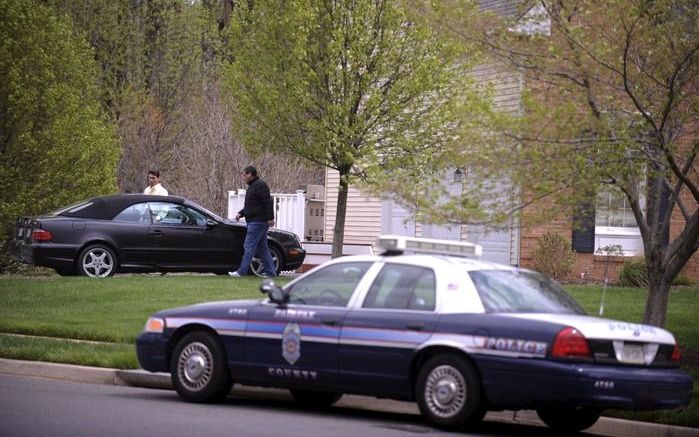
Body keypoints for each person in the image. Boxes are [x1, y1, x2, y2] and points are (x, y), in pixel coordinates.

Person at [229, 166, 276, 277]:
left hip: (258, 222)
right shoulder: (252, 187)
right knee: (263, 249)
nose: (243, 177)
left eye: (245, 174)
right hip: (255, 221)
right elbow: (251, 206)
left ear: (251, 174)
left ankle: (241, 272)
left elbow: (267, 202)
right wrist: (241, 213)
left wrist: (270, 218)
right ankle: (271, 273)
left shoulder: (260, 185)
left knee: (248, 246)